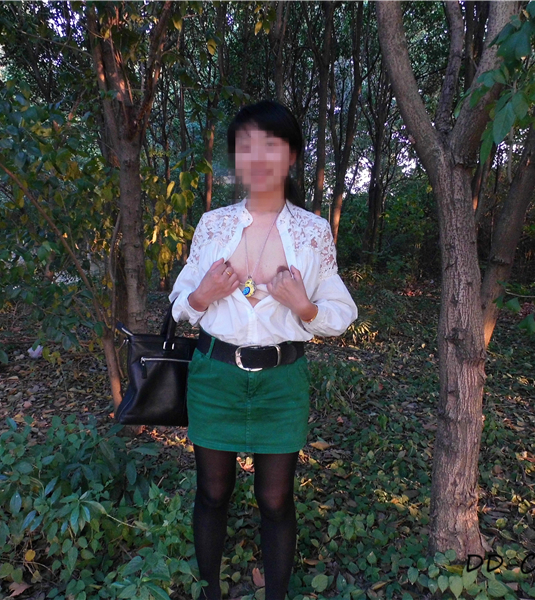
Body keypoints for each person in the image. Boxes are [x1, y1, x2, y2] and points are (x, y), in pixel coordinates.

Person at [168, 100, 358, 600]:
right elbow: (181, 300)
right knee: (212, 492)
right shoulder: (213, 225)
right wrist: (202, 295)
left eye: (269, 145)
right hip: (215, 374)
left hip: (281, 380)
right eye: (245, 146)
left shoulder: (313, 232)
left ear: (291, 155)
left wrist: (304, 307)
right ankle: (209, 592)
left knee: (275, 499)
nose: (256, 157)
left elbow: (341, 310)